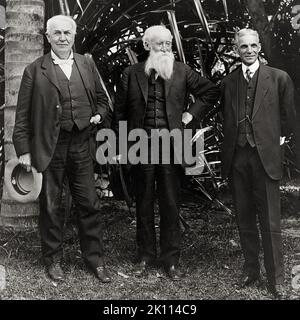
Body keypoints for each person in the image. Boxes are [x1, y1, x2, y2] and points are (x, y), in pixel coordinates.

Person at [113, 25, 219, 280]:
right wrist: (119, 148)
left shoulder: (182, 71)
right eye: (160, 44)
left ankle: (171, 260)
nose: (165, 48)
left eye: (168, 43)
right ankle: (145, 256)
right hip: (141, 145)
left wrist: (189, 115)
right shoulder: (131, 73)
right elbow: (119, 114)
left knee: (171, 203)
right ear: (147, 45)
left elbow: (210, 91)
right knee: (144, 203)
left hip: (173, 146)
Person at [13, 15, 111, 283]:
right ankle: (53, 260)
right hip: (50, 147)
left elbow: (102, 100)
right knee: (51, 206)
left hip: (81, 145)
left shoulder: (86, 64)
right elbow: (22, 115)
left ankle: (96, 260)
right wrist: (23, 149)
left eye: (67, 32)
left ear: (74, 34)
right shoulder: (35, 70)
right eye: (56, 33)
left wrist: (99, 116)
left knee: (89, 203)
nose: (62, 37)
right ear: (48, 37)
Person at [220, 28, 296, 298]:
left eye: (254, 45)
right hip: (238, 157)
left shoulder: (278, 78)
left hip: (266, 157)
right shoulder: (229, 82)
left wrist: (276, 141)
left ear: (260, 46)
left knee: (270, 220)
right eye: (244, 46)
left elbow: (289, 117)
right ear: (235, 49)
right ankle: (251, 269)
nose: (249, 50)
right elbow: (226, 118)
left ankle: (276, 278)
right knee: (244, 217)